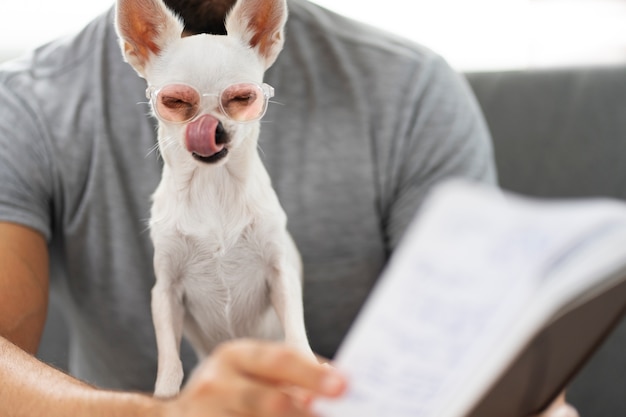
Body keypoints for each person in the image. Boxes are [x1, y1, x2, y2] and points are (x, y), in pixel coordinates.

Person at [0, 0, 578, 415]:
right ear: (139, 46)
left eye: (240, 100)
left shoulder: (412, 92)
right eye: (177, 102)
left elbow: (484, 345)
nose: (210, 123)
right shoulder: (27, 106)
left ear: (266, 38)